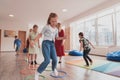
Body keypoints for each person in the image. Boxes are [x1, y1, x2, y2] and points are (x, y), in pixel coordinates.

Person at [33, 13, 66, 80]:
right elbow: (40, 34)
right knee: (47, 60)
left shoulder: (56, 29)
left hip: (52, 44)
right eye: (52, 21)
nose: (54, 23)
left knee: (55, 59)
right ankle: (37, 72)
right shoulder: (46, 27)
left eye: (55, 21)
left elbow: (56, 38)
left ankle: (53, 69)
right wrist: (34, 41)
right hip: (45, 43)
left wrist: (63, 37)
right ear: (49, 21)